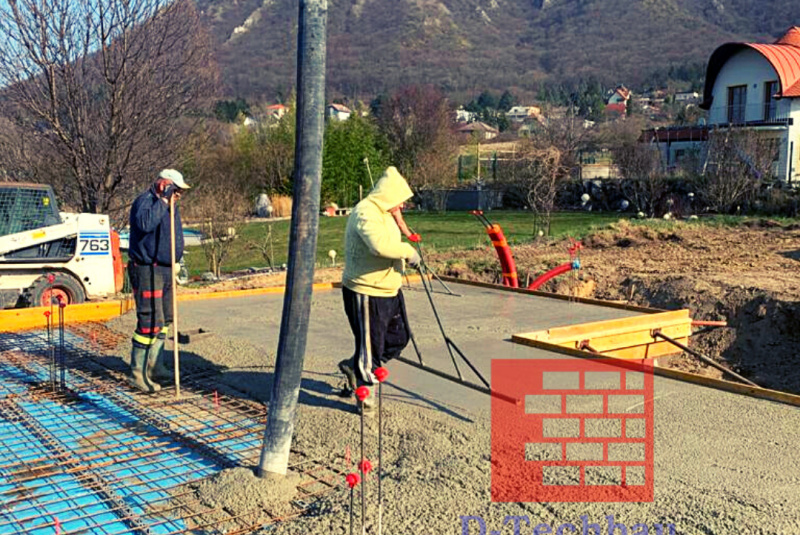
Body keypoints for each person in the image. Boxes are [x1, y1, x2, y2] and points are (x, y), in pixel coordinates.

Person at [339, 166, 421, 413]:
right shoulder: (366, 212)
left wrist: (404, 228)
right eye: (400, 200)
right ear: (388, 194)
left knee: (399, 337)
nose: (403, 206)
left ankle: (357, 366)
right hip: (366, 291)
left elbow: (394, 235)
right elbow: (378, 246)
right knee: (370, 347)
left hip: (388, 289)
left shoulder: (385, 213)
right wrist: (408, 251)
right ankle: (366, 395)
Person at [127, 169, 190, 393]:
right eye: (177, 189)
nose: (179, 194)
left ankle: (155, 366)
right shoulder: (146, 202)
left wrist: (177, 260)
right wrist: (163, 200)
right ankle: (137, 374)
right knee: (149, 321)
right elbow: (145, 224)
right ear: (165, 184)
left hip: (165, 268)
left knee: (165, 319)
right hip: (147, 269)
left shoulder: (171, 206)